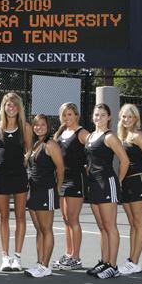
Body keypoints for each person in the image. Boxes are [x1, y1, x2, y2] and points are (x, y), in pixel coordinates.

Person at [85, 103, 129, 279]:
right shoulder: (90, 136)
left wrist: (117, 181)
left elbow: (124, 161)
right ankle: (104, 261)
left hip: (107, 183)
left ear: (109, 117)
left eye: (103, 115)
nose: (99, 118)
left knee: (110, 226)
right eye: (96, 115)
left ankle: (113, 266)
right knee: (102, 226)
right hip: (94, 185)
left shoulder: (110, 137)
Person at [0, 92, 32, 271]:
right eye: (9, 105)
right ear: (3, 106)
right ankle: (5, 257)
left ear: (19, 108)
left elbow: (30, 149)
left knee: (20, 216)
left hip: (19, 176)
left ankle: (17, 257)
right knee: (3, 217)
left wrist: (26, 157)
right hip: (0, 176)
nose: (12, 108)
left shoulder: (25, 128)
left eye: (15, 105)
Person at [116, 104, 142, 275]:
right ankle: (131, 260)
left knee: (138, 223)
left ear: (136, 119)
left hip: (136, 183)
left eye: (130, 117)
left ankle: (135, 261)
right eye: (124, 116)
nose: (127, 120)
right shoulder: (121, 136)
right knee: (132, 223)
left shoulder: (138, 136)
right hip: (125, 184)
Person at [25, 114, 64, 278]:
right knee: (39, 229)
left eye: (42, 125)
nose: (39, 127)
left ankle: (45, 265)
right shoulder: (35, 145)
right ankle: (39, 262)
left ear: (48, 127)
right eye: (36, 125)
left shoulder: (51, 144)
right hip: (33, 191)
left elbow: (60, 169)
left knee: (46, 229)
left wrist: (56, 189)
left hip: (46, 191)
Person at [52, 102, 89, 271]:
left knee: (73, 219)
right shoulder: (61, 132)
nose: (67, 117)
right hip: (62, 180)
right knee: (66, 220)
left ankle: (77, 257)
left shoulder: (82, 133)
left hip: (76, 180)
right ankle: (68, 254)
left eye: (70, 114)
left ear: (76, 115)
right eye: (65, 115)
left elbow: (95, 151)